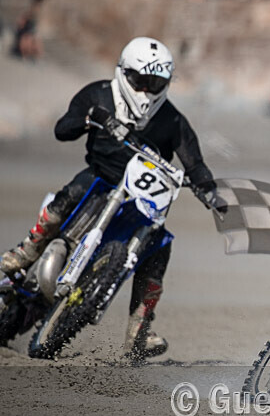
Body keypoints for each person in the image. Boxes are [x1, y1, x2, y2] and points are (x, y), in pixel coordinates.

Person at [0, 37, 226, 360]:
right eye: (141, 81)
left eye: (155, 83)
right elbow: (62, 130)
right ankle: (27, 251)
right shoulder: (98, 95)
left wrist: (209, 190)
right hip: (100, 178)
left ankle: (139, 331)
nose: (147, 91)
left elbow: (195, 163)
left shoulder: (172, 119)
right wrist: (90, 117)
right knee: (73, 193)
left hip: (139, 199)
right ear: (124, 73)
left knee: (161, 244)